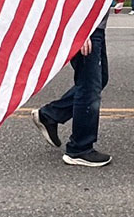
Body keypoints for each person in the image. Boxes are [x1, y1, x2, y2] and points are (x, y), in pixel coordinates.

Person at [32, 17, 112, 167]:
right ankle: (79, 148)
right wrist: (82, 31)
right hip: (86, 27)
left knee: (99, 79)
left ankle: (50, 115)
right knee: (89, 86)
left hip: (93, 27)